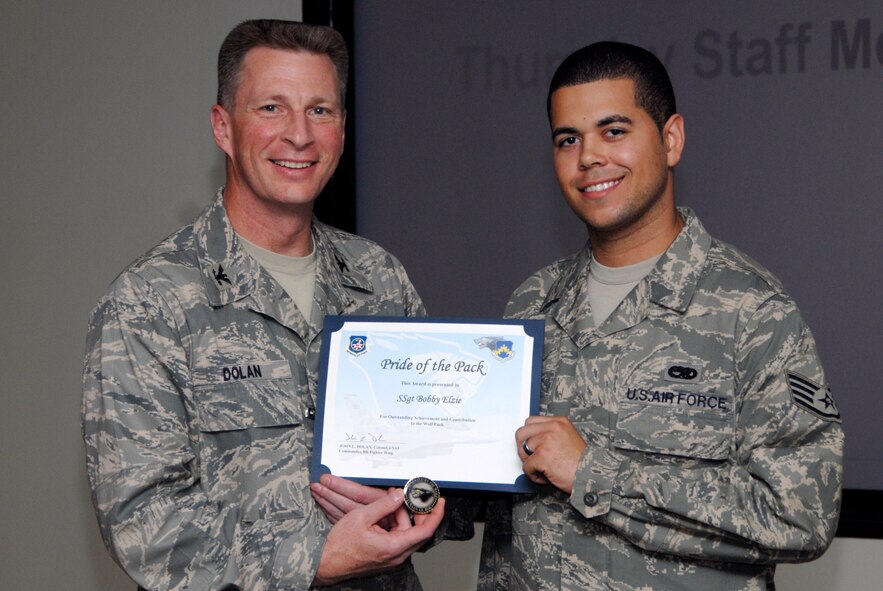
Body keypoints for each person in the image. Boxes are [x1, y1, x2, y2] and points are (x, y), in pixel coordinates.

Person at [81, 19, 443, 591]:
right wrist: (314, 560)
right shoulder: (150, 301)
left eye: (320, 111)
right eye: (271, 108)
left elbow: (435, 460)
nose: (299, 135)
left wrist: (421, 500)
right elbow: (142, 526)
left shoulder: (380, 279)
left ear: (343, 132)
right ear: (223, 127)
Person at [476, 41, 844, 589]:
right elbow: (498, 480)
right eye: (567, 139)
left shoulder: (752, 311)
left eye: (614, 131)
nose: (589, 157)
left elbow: (800, 515)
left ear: (670, 139)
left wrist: (595, 472)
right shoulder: (532, 302)